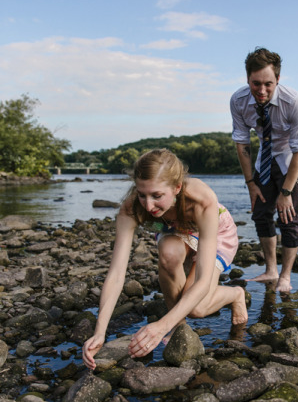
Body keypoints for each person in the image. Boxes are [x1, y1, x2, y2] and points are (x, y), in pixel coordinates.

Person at [83, 148, 247, 369]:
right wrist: (99, 332)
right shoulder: (132, 208)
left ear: (177, 187)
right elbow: (116, 273)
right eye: (142, 194)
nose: (148, 206)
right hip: (177, 232)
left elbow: (202, 281)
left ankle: (236, 294)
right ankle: (179, 326)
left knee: (198, 309)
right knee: (169, 252)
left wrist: (161, 325)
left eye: (157, 196)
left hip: (216, 234)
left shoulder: (202, 201)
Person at [230, 47, 298, 293]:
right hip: (265, 156)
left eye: (268, 84)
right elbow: (242, 143)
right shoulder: (238, 100)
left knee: (288, 216)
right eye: (256, 84)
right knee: (260, 212)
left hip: (294, 156)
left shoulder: (293, 101)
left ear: (278, 79)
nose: (262, 91)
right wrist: (250, 184)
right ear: (247, 79)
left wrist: (286, 193)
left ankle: (285, 277)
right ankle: (271, 270)